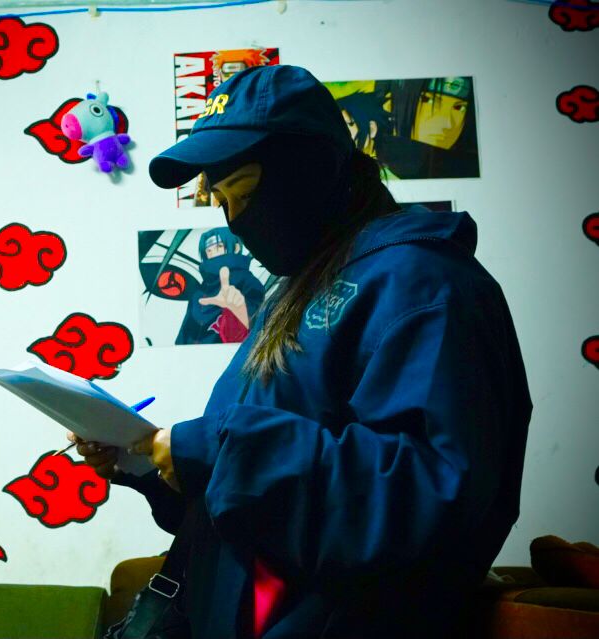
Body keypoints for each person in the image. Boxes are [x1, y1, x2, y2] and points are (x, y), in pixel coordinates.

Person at [73, 65, 530, 638]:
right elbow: (254, 499)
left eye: (243, 191)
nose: (235, 219)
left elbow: (427, 501)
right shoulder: (301, 287)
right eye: (220, 199)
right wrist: (150, 462)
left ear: (313, 168)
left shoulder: (425, 287)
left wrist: (211, 450)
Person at [175, 226, 265, 345]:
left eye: (219, 247)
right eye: (209, 251)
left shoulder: (248, 282)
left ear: (236, 248)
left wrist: (238, 310)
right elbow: (184, 332)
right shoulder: (199, 290)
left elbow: (257, 329)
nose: (214, 254)